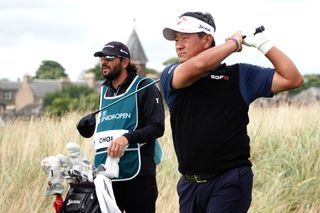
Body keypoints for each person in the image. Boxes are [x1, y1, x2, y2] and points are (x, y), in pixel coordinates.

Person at [160, 12, 303, 213]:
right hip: (189, 185)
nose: (179, 45)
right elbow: (199, 65)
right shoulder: (171, 75)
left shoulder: (240, 75)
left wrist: (263, 44)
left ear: (207, 39)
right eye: (176, 40)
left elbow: (293, 79)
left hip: (229, 179)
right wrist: (234, 43)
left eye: (185, 38)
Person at [92, 41, 165, 213]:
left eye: (109, 57)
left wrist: (126, 138)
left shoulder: (145, 86)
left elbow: (157, 127)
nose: (104, 61)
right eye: (102, 58)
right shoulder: (103, 91)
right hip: (106, 176)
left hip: (138, 176)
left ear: (124, 62)